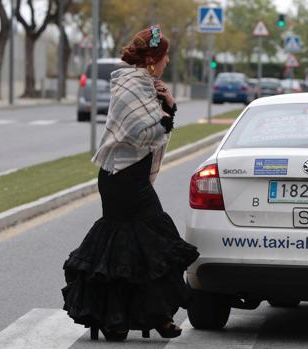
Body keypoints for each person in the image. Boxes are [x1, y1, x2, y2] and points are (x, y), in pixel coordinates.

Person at [61, 25, 199, 341]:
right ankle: (138, 317)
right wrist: (168, 111)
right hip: (120, 177)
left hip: (132, 175)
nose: (167, 63)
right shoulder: (130, 85)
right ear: (153, 59)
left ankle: (128, 318)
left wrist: (168, 107)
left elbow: (155, 133)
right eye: (165, 58)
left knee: (137, 246)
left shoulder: (148, 85)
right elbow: (138, 131)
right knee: (154, 239)